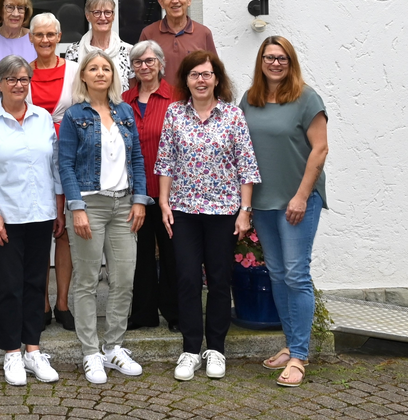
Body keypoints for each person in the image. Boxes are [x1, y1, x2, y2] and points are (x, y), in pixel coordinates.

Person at [155, 51, 260, 382]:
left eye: (207, 74)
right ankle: (190, 350)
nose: (201, 80)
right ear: (185, 80)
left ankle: (215, 349)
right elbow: (166, 160)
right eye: (194, 75)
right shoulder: (175, 114)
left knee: (218, 279)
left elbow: (247, 165)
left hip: (224, 212)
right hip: (184, 209)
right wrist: (163, 201)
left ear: (217, 79)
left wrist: (245, 211)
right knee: (186, 278)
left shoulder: (232, 116)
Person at [0, 55, 64, 385]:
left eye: (23, 79)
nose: (18, 84)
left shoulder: (43, 118)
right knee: (9, 288)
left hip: (40, 215)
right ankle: (11, 353)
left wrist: (59, 209)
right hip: (3, 219)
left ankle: (33, 351)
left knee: (36, 285)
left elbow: (53, 168)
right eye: (11, 79)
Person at [240, 36, 329, 388]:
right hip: (263, 202)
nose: (275, 63)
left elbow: (320, 150)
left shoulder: (307, 98)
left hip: (297, 202)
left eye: (282, 58)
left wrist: (301, 196)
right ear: (261, 61)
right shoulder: (251, 99)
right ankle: (292, 345)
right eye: (269, 57)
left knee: (296, 274)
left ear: (291, 62)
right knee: (277, 274)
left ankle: (300, 356)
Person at [58, 51, 151, 385]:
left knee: (124, 278)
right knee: (86, 280)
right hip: (90, 206)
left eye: (106, 68)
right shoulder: (74, 115)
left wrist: (139, 201)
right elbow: (65, 164)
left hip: (124, 206)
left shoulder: (124, 112)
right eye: (93, 68)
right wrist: (76, 206)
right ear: (83, 75)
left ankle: (113, 347)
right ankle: (90, 352)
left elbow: (138, 160)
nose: (100, 73)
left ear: (114, 75)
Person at [121, 40, 178, 331]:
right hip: (136, 194)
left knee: (172, 254)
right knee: (140, 255)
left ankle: (175, 313)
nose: (144, 66)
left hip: (172, 193)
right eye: (138, 62)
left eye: (149, 61)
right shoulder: (123, 101)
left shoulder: (176, 99)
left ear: (160, 63)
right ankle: (143, 314)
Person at [27, 12, 78, 332]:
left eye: (51, 34)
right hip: (33, 156)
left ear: (59, 37)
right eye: (39, 35)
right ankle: (41, 303)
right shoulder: (21, 71)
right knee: (39, 229)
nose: (45, 40)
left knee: (66, 232)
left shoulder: (75, 71)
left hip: (70, 154)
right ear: (30, 38)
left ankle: (63, 303)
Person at [139, 0, 216, 93]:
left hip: (194, 104)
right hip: (158, 104)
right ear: (161, 2)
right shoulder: (149, 34)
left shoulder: (203, 33)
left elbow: (214, 73)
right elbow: (139, 73)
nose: (175, 0)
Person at [64, 0, 133, 92]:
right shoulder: (73, 51)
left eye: (107, 12)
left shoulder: (128, 51)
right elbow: (71, 87)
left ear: (113, 16)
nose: (103, 17)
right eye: (97, 12)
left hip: (120, 106)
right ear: (88, 16)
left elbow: (133, 92)